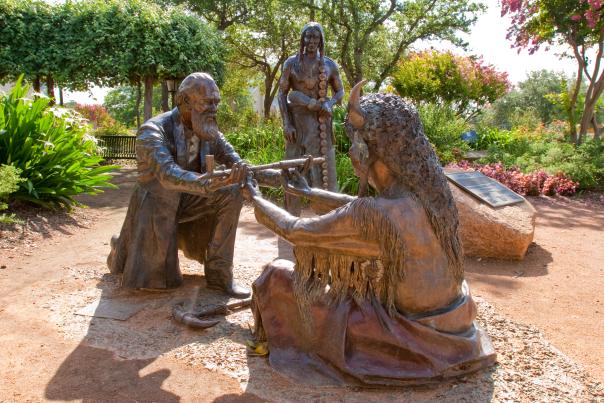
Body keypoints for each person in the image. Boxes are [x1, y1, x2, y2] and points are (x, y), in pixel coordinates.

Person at [243, 82, 496, 386]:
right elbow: (360, 207)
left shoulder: (377, 216)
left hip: (406, 326)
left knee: (276, 275)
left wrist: (253, 195)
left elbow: (294, 230)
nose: (349, 152)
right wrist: (307, 192)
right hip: (454, 321)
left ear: (367, 149)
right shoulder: (429, 198)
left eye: (352, 143)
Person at [108, 72, 268, 298]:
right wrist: (206, 183)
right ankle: (121, 248)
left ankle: (220, 275)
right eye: (207, 102)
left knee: (232, 192)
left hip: (191, 198)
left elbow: (235, 159)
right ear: (184, 101)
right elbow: (167, 174)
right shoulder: (152, 131)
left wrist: (250, 178)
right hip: (158, 203)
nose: (214, 108)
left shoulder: (209, 130)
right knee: (158, 284)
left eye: (216, 102)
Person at [278, 22, 344, 215]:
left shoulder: (330, 65)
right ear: (303, 39)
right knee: (292, 168)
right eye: (308, 37)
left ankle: (327, 217)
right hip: (296, 126)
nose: (312, 41)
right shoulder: (291, 63)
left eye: (316, 37)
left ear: (321, 40)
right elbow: (282, 94)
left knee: (324, 172)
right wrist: (287, 123)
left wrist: (330, 104)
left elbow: (340, 91)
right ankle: (290, 216)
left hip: (320, 125)